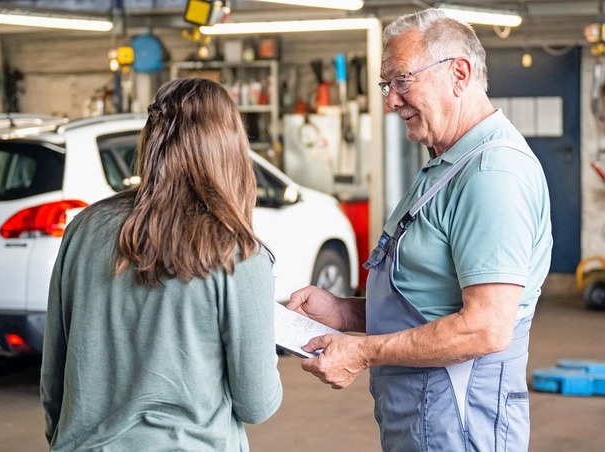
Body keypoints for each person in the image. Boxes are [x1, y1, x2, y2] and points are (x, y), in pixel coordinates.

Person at [287, 8, 552, 451]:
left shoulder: (492, 175)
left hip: (460, 421)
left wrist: (362, 351)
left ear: (459, 74)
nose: (391, 101)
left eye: (402, 80)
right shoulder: (446, 165)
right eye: (386, 85)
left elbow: (485, 328)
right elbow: (428, 302)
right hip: (422, 414)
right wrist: (343, 313)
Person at [41, 78, 283, 451]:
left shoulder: (84, 228)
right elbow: (257, 403)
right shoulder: (235, 252)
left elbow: (53, 376)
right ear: (230, 148)